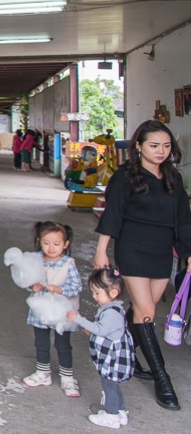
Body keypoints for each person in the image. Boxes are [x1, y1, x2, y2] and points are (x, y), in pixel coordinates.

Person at [93, 119, 191, 411]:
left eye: (165, 146)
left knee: (139, 310)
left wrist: (188, 253)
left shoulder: (173, 177)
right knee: (147, 312)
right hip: (133, 246)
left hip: (161, 251)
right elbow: (113, 214)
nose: (161, 151)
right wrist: (102, 250)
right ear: (139, 146)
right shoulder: (126, 176)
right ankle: (163, 380)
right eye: (153, 146)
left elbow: (184, 220)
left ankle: (111, 343)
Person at [66, 267, 135, 429]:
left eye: (97, 293)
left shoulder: (111, 313)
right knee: (114, 386)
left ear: (113, 292)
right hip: (114, 358)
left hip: (113, 361)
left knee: (109, 386)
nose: (94, 296)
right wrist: (90, 330)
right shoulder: (112, 309)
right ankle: (119, 412)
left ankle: (112, 416)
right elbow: (103, 330)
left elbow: (101, 330)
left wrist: (79, 319)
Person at [21, 221, 82, 398]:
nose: (51, 248)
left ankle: (67, 377)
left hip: (62, 313)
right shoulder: (35, 260)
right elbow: (26, 279)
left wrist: (60, 289)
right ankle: (43, 373)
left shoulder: (68, 263)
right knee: (41, 343)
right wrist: (32, 287)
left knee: (63, 344)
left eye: (56, 244)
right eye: (46, 243)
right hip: (40, 311)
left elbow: (76, 286)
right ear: (39, 241)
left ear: (65, 244)